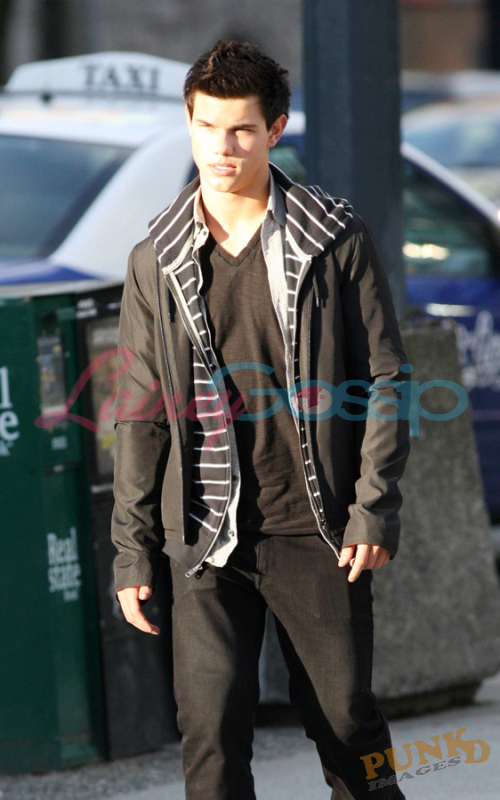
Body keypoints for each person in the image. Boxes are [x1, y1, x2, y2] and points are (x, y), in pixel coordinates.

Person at [112, 39, 410, 800]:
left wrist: (373, 507)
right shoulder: (157, 257)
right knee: (211, 738)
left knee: (348, 730)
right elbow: (141, 414)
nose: (223, 147)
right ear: (189, 124)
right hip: (207, 535)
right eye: (206, 127)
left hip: (319, 530)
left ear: (275, 129)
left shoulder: (332, 237)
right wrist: (133, 552)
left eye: (242, 129)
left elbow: (385, 377)